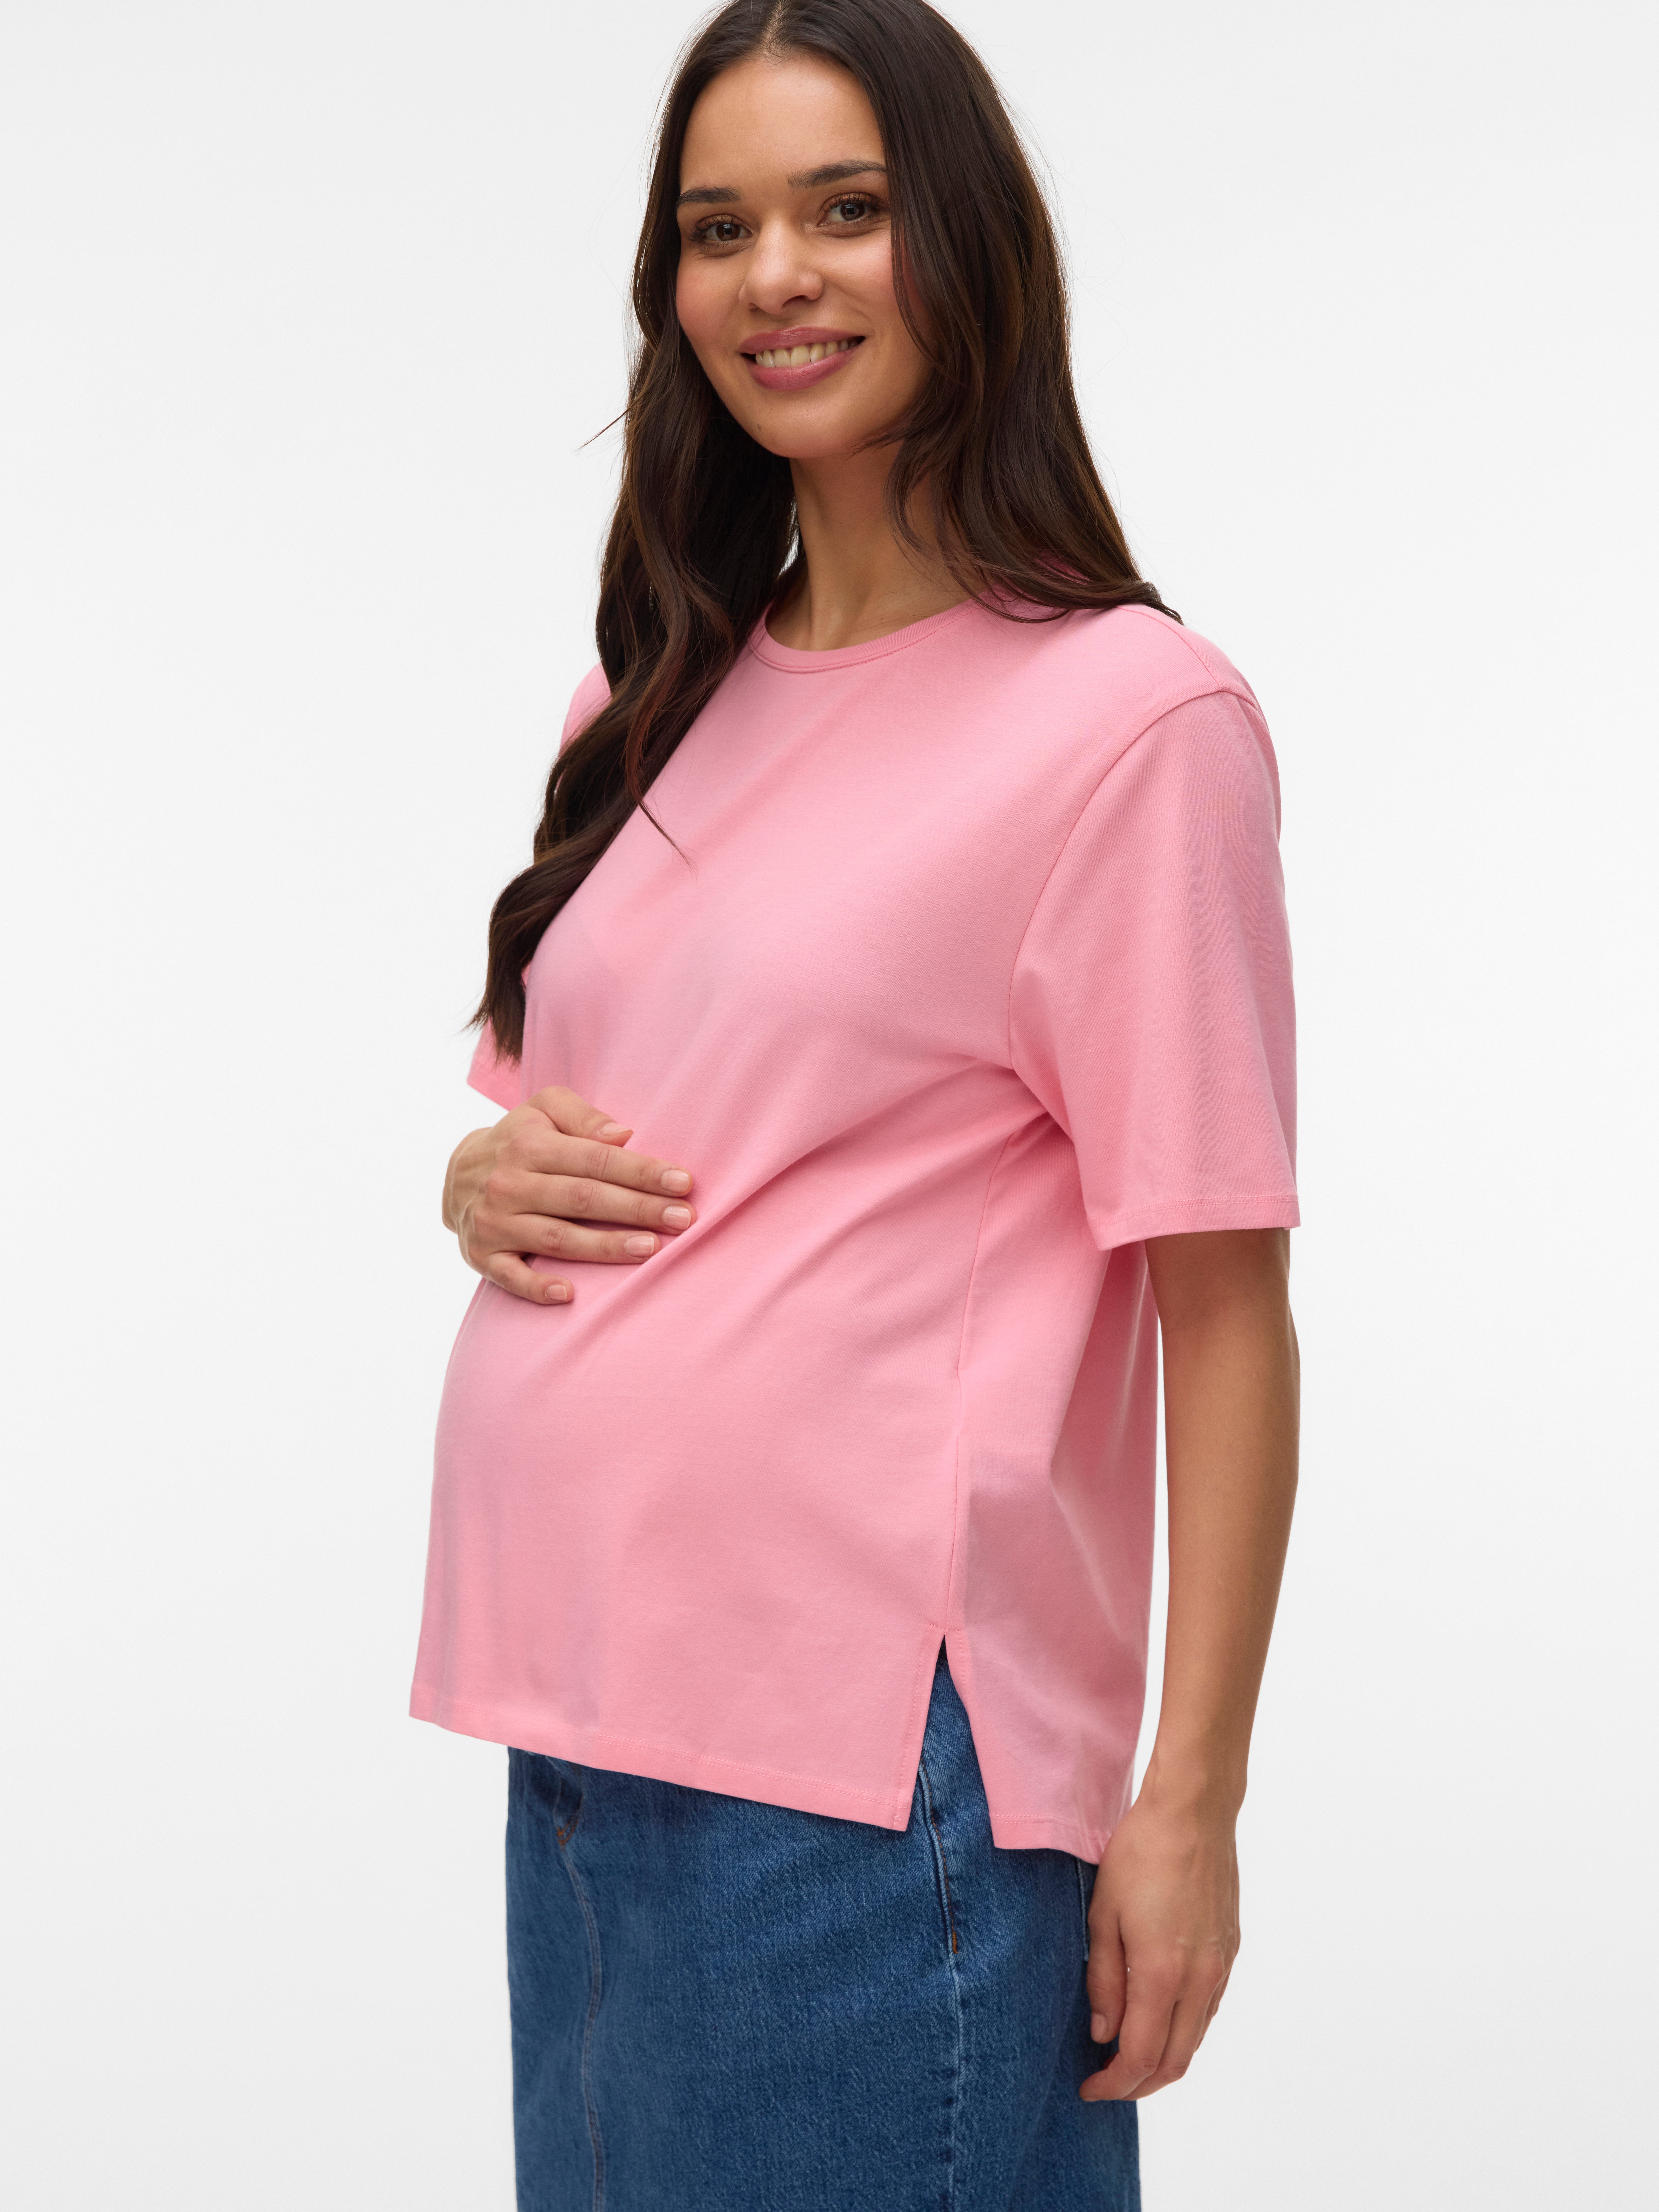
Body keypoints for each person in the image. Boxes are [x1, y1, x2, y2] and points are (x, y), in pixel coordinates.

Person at [414, 2, 1300, 2204]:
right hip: (585, 1722)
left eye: (844, 208)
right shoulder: (649, 693)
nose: (774, 276)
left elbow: (1221, 1305)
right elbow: (621, 1126)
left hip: (868, 1776)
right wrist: (477, 1179)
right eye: (717, 228)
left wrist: (1185, 1805)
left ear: (964, 239)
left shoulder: (1128, 721)